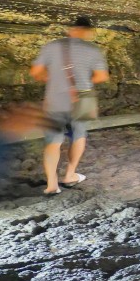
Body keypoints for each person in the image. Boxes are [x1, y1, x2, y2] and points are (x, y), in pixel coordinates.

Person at [29, 16, 109, 195]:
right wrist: (84, 82)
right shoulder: (93, 50)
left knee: (53, 141)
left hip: (54, 100)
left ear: (70, 29)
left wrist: (52, 80)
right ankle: (70, 175)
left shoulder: (51, 46)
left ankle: (51, 185)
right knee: (79, 136)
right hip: (81, 100)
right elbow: (102, 77)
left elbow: (35, 72)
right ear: (88, 31)